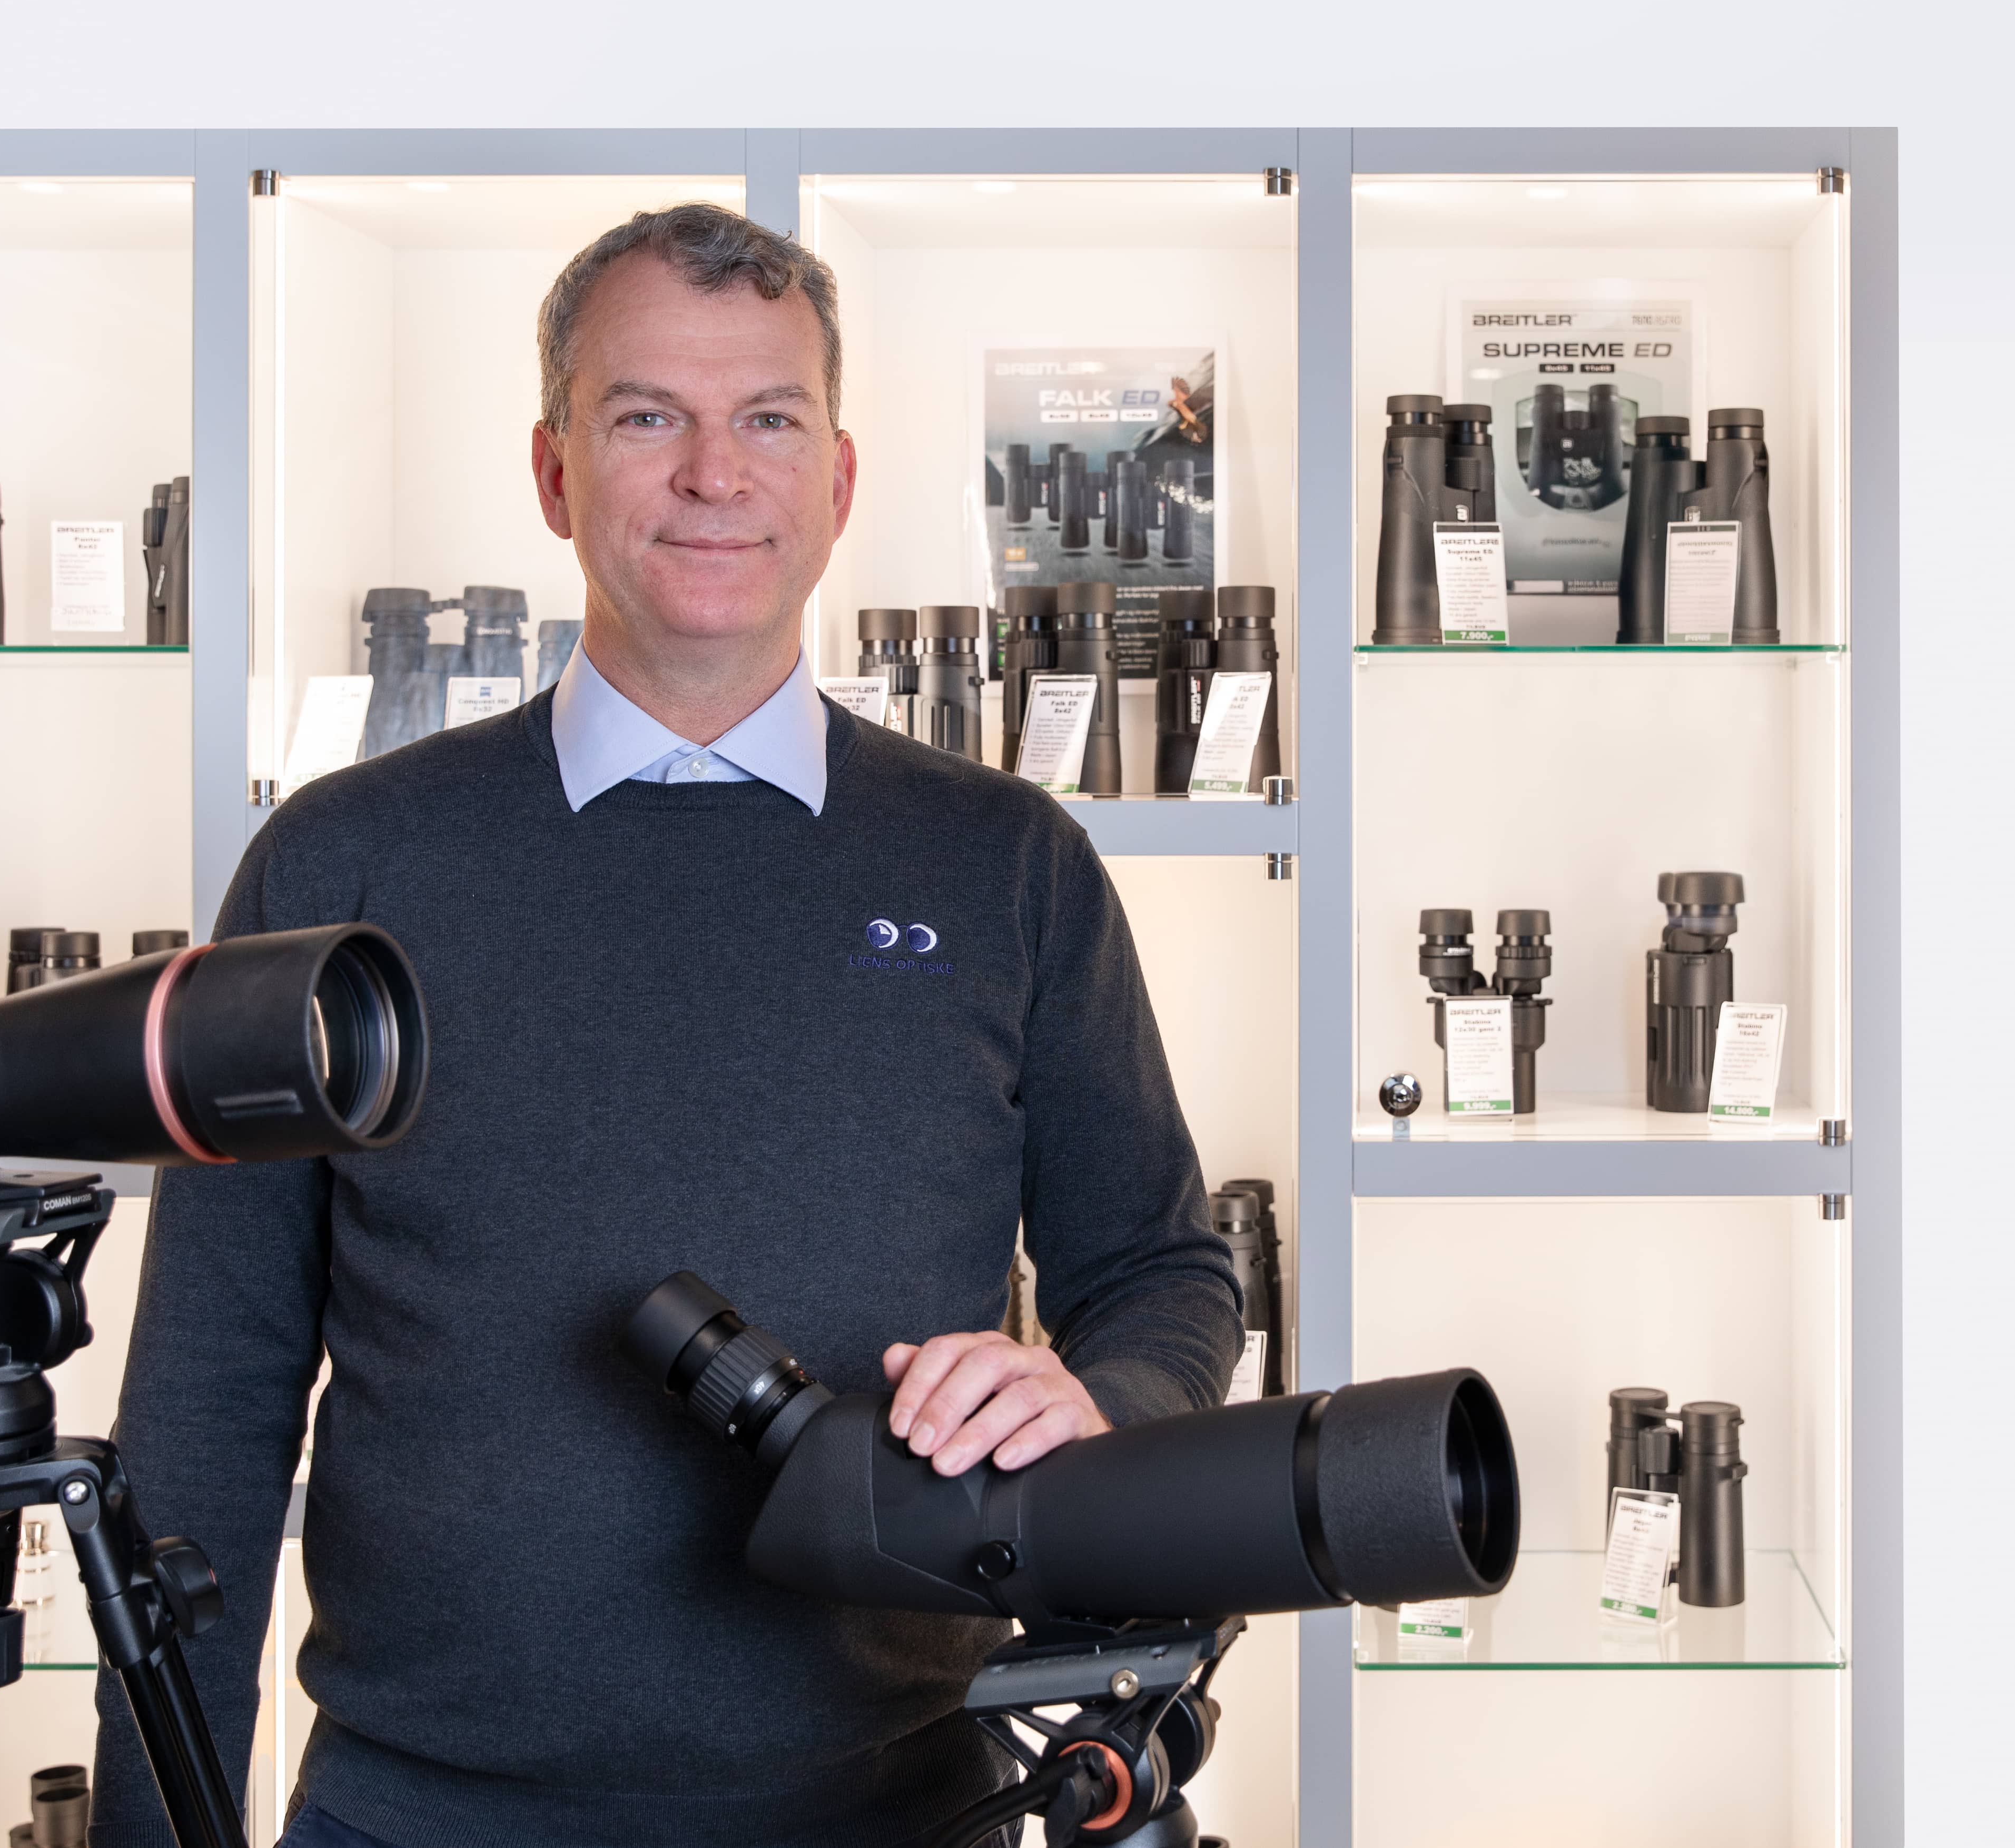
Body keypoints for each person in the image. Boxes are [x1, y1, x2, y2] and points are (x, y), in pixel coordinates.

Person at [90, 202, 1240, 1848]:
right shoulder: (339, 864)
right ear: (554, 472)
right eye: (648, 418)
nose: (716, 474)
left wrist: (1103, 1402)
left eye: (768, 419)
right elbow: (206, 1400)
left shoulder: (1005, 864)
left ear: (839, 480)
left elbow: (1165, 1272)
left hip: (902, 1809)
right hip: (419, 1817)